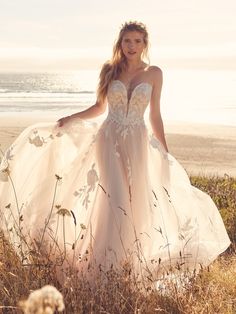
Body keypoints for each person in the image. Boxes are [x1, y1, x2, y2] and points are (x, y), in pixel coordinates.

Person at [0, 21, 231, 286]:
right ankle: (103, 265)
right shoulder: (110, 70)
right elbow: (99, 107)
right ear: (120, 43)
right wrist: (71, 118)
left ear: (145, 44)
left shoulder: (154, 73)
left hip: (139, 144)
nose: (132, 46)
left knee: (137, 201)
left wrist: (165, 151)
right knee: (114, 198)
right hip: (108, 142)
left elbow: (155, 114)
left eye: (137, 41)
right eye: (127, 41)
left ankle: (131, 262)